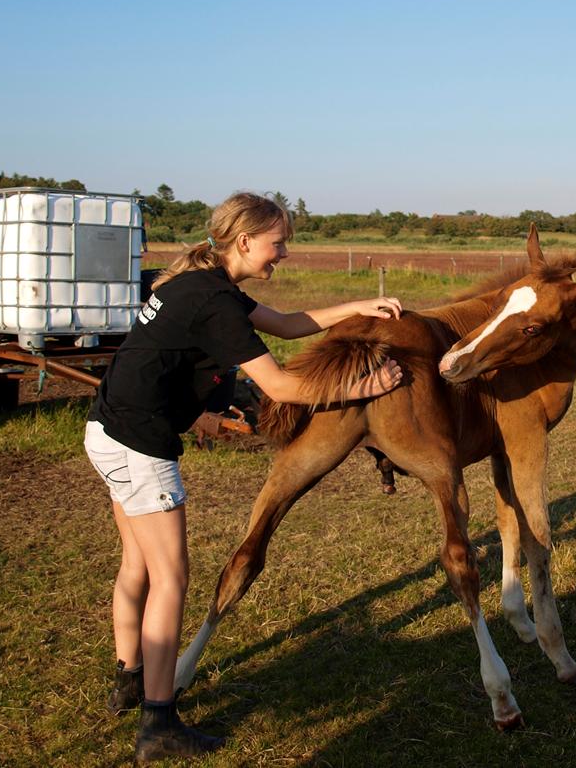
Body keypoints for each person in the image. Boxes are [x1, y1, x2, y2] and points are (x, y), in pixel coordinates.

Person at [84, 192, 403, 762]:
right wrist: (363, 388)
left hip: (107, 430)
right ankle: (159, 724)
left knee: (137, 564)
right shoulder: (214, 301)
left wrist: (360, 307)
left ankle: (130, 678)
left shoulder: (203, 284)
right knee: (170, 579)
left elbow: (283, 324)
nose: (284, 254)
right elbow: (280, 388)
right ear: (246, 240)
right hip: (138, 444)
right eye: (279, 244)